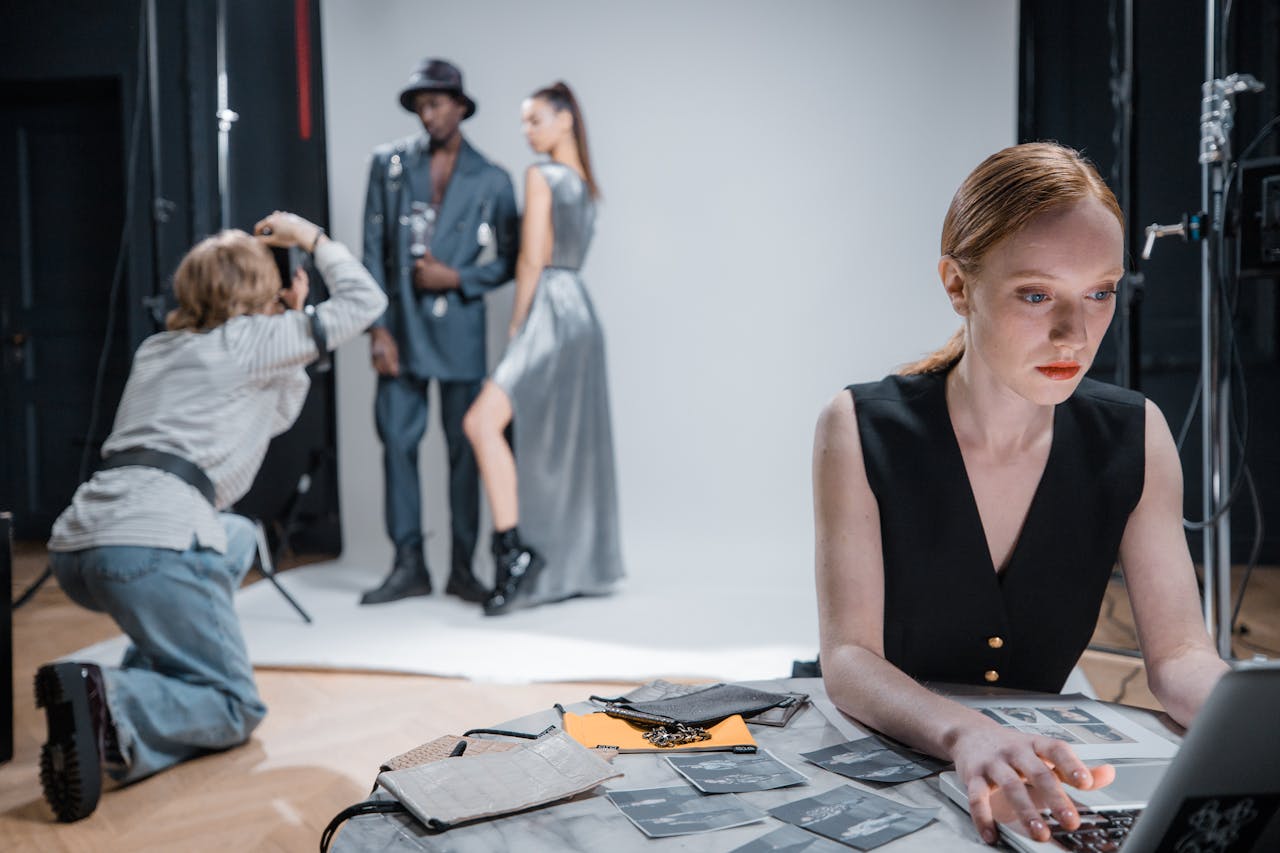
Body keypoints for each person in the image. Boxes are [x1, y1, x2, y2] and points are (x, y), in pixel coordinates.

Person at [812, 142, 1228, 846]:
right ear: (957, 284)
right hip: (888, 745)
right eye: (1037, 294)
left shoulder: (1136, 434)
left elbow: (1181, 656)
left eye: (1099, 292)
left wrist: (1250, 721)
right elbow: (850, 657)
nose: (1075, 332)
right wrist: (966, 732)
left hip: (1034, 765)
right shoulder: (857, 426)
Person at [38, 212, 386, 821]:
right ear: (259, 289)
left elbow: (269, 413)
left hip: (81, 546)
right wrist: (311, 238)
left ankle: (132, 697)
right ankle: (111, 695)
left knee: (236, 536)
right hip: (151, 547)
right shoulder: (249, 342)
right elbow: (365, 301)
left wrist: (288, 328)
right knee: (233, 707)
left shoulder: (159, 349)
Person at [360, 57, 519, 606]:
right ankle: (408, 565)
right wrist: (377, 329)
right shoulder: (389, 165)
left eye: (436, 104)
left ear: (460, 106)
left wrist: (458, 277)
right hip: (400, 328)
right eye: (420, 106)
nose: (428, 115)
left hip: (460, 335)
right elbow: (371, 254)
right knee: (397, 444)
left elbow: (512, 260)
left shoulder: (493, 178)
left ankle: (461, 568)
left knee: (464, 450)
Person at [462, 81, 623, 615]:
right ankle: (547, 558)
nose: (526, 131)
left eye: (534, 120)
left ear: (564, 120)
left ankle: (514, 553)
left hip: (549, 307)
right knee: (565, 440)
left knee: (482, 423)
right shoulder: (585, 183)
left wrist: (516, 326)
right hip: (581, 308)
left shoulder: (542, 176)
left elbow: (530, 261)